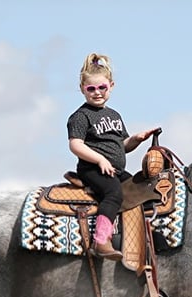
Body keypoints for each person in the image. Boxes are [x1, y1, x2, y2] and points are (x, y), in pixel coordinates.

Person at [67, 53, 159, 261]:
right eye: (91, 89)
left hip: (115, 169)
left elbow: (122, 146)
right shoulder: (81, 116)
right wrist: (99, 159)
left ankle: (146, 236)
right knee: (114, 194)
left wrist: (136, 139)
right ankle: (101, 240)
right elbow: (75, 144)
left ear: (111, 85)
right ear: (82, 89)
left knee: (142, 188)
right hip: (93, 169)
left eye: (102, 88)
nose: (97, 93)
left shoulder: (114, 116)